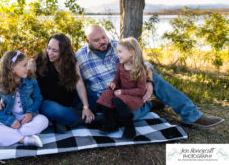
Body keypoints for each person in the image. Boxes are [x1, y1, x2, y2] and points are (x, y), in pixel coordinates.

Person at [75, 24, 224, 128]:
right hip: (110, 99)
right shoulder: (79, 57)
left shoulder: (118, 46)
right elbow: (76, 81)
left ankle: (191, 115)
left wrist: (150, 82)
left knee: (154, 78)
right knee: (123, 116)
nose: (103, 42)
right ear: (88, 41)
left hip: (130, 86)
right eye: (97, 40)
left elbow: (144, 65)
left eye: (104, 37)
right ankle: (149, 104)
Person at [30, 33, 95, 133]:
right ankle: (92, 121)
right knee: (54, 111)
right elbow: (22, 78)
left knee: (95, 97)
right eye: (49, 48)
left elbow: (79, 83)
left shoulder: (71, 62)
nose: (49, 53)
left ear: (64, 52)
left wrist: (86, 107)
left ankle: (64, 120)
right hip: (48, 103)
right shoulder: (38, 60)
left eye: (55, 51)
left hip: (71, 101)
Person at [0, 50, 49, 147]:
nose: (28, 68)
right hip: (9, 118)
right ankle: (24, 140)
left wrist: (30, 113)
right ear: (12, 68)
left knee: (43, 120)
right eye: (24, 65)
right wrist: (9, 121)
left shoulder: (31, 80)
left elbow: (38, 99)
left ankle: (0, 136)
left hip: (26, 120)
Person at [97, 37, 152, 139]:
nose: (117, 54)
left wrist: (122, 91)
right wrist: (113, 84)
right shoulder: (121, 66)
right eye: (117, 51)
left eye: (120, 52)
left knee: (118, 101)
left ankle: (129, 127)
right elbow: (116, 80)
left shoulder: (140, 70)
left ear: (131, 52)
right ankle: (111, 124)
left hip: (134, 97)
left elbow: (140, 91)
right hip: (122, 93)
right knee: (106, 94)